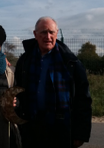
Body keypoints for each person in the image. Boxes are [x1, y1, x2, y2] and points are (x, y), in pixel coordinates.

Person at [14, 16, 92, 148]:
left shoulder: (71, 63)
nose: (48, 36)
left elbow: (83, 99)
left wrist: (80, 133)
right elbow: (18, 89)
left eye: (51, 32)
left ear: (57, 33)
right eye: (43, 32)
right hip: (31, 127)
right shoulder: (25, 60)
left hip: (61, 128)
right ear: (35, 34)